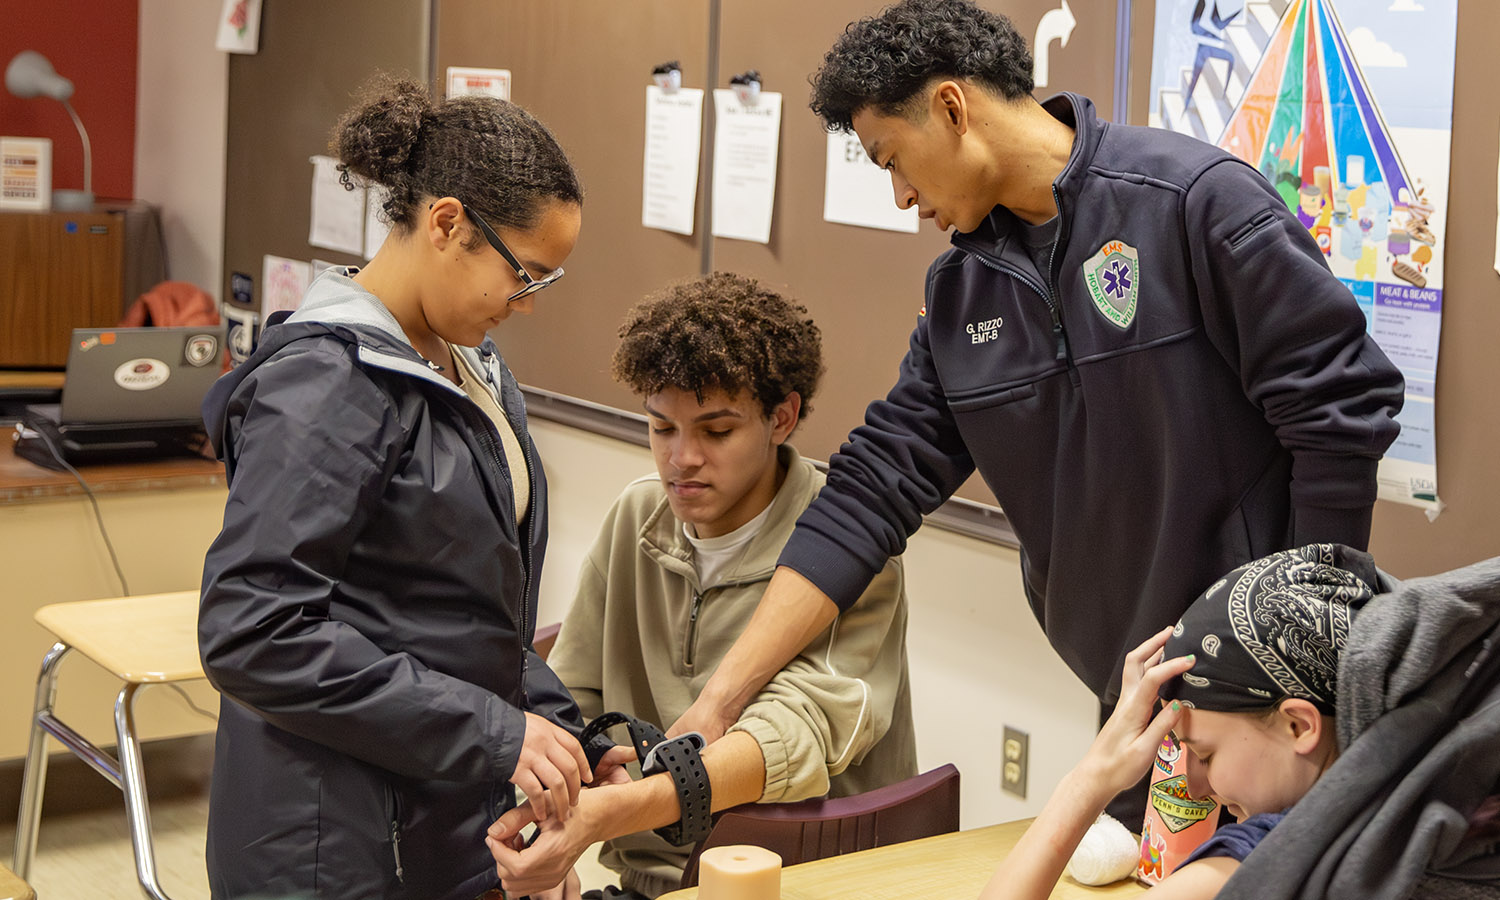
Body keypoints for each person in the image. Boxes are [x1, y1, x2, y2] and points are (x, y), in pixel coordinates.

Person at [670, 0, 1406, 823]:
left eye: (892, 160)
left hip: (1274, 713)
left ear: (952, 107)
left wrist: (1306, 657)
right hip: (1136, 701)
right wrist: (722, 702)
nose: (903, 196)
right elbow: (870, 493)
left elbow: (1341, 407)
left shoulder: (1191, 202)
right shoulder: (960, 295)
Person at [197, 78, 608, 900]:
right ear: (447, 223)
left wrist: (566, 735)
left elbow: (460, 615)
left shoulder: (469, 369)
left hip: (436, 820)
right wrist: (494, 733)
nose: (524, 306)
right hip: (327, 849)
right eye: (523, 276)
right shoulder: (327, 384)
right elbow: (253, 629)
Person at [484, 273, 917, 898]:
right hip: (650, 881)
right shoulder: (636, 518)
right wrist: (552, 827)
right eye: (662, 428)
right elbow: (570, 697)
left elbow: (790, 738)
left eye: (716, 432)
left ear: (783, 417)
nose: (681, 458)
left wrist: (607, 815)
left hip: (809, 879)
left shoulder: (846, 548)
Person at [976, 543, 1500, 900]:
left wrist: (1088, 780)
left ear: (1299, 725)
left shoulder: (1261, 866)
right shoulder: (1464, 805)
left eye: (1204, 754)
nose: (1195, 785)